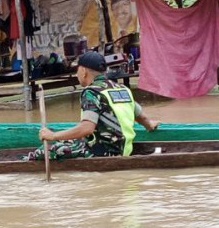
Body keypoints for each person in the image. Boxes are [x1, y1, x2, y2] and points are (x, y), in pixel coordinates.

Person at [29, 50, 159, 160]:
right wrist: (150, 125)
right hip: (124, 150)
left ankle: (26, 162)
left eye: (77, 69)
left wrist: (52, 135)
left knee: (47, 150)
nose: (76, 74)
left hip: (103, 153)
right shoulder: (122, 89)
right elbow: (143, 118)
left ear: (84, 71)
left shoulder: (91, 92)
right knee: (66, 141)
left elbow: (87, 128)